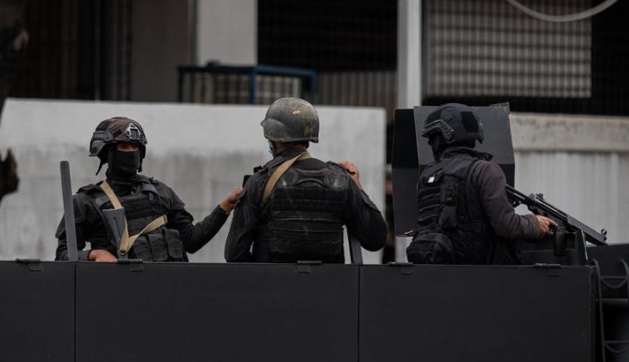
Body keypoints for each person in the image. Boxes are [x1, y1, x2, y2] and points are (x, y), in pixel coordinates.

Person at [55, 117, 242, 262]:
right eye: (123, 146)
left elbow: (191, 241)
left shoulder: (161, 192)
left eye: (134, 146)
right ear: (107, 153)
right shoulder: (85, 202)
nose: (130, 152)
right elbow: (64, 255)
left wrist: (226, 207)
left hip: (168, 293)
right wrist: (93, 254)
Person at [224, 97, 387, 263]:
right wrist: (356, 186)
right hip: (330, 287)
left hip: (273, 286)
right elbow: (375, 239)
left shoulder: (259, 182)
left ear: (277, 140)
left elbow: (235, 254)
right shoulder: (342, 180)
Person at [405, 103, 556, 264]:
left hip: (429, 269)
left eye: (433, 138)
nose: (430, 144)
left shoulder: (427, 174)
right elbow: (506, 225)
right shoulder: (484, 170)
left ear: (446, 136)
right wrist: (534, 223)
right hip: (477, 276)